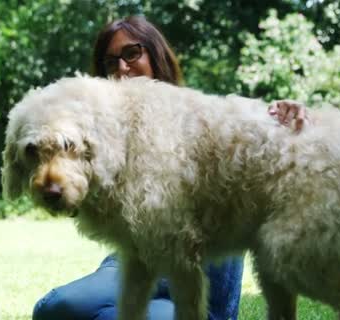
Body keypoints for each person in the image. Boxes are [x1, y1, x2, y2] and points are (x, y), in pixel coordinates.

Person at [33, 16, 307, 320]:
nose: (121, 68)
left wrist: (284, 112)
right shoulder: (101, 134)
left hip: (200, 274)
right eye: (110, 62)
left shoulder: (204, 117)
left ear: (155, 54)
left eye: (132, 53)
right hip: (129, 267)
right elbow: (69, 189)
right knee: (54, 309)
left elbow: (258, 130)